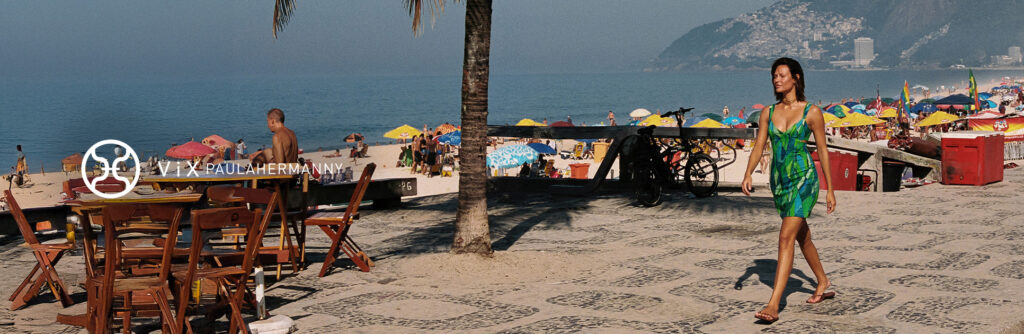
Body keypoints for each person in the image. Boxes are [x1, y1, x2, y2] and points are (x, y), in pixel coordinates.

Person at [741, 57, 836, 323]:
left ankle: (774, 304)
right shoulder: (768, 113)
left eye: (782, 75)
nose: (776, 79)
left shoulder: (812, 112)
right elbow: (760, 145)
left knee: (785, 237)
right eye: (774, 76)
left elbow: (823, 151)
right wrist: (747, 172)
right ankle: (822, 280)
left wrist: (829, 189)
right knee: (801, 237)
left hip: (804, 179)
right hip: (779, 182)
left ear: (795, 77)